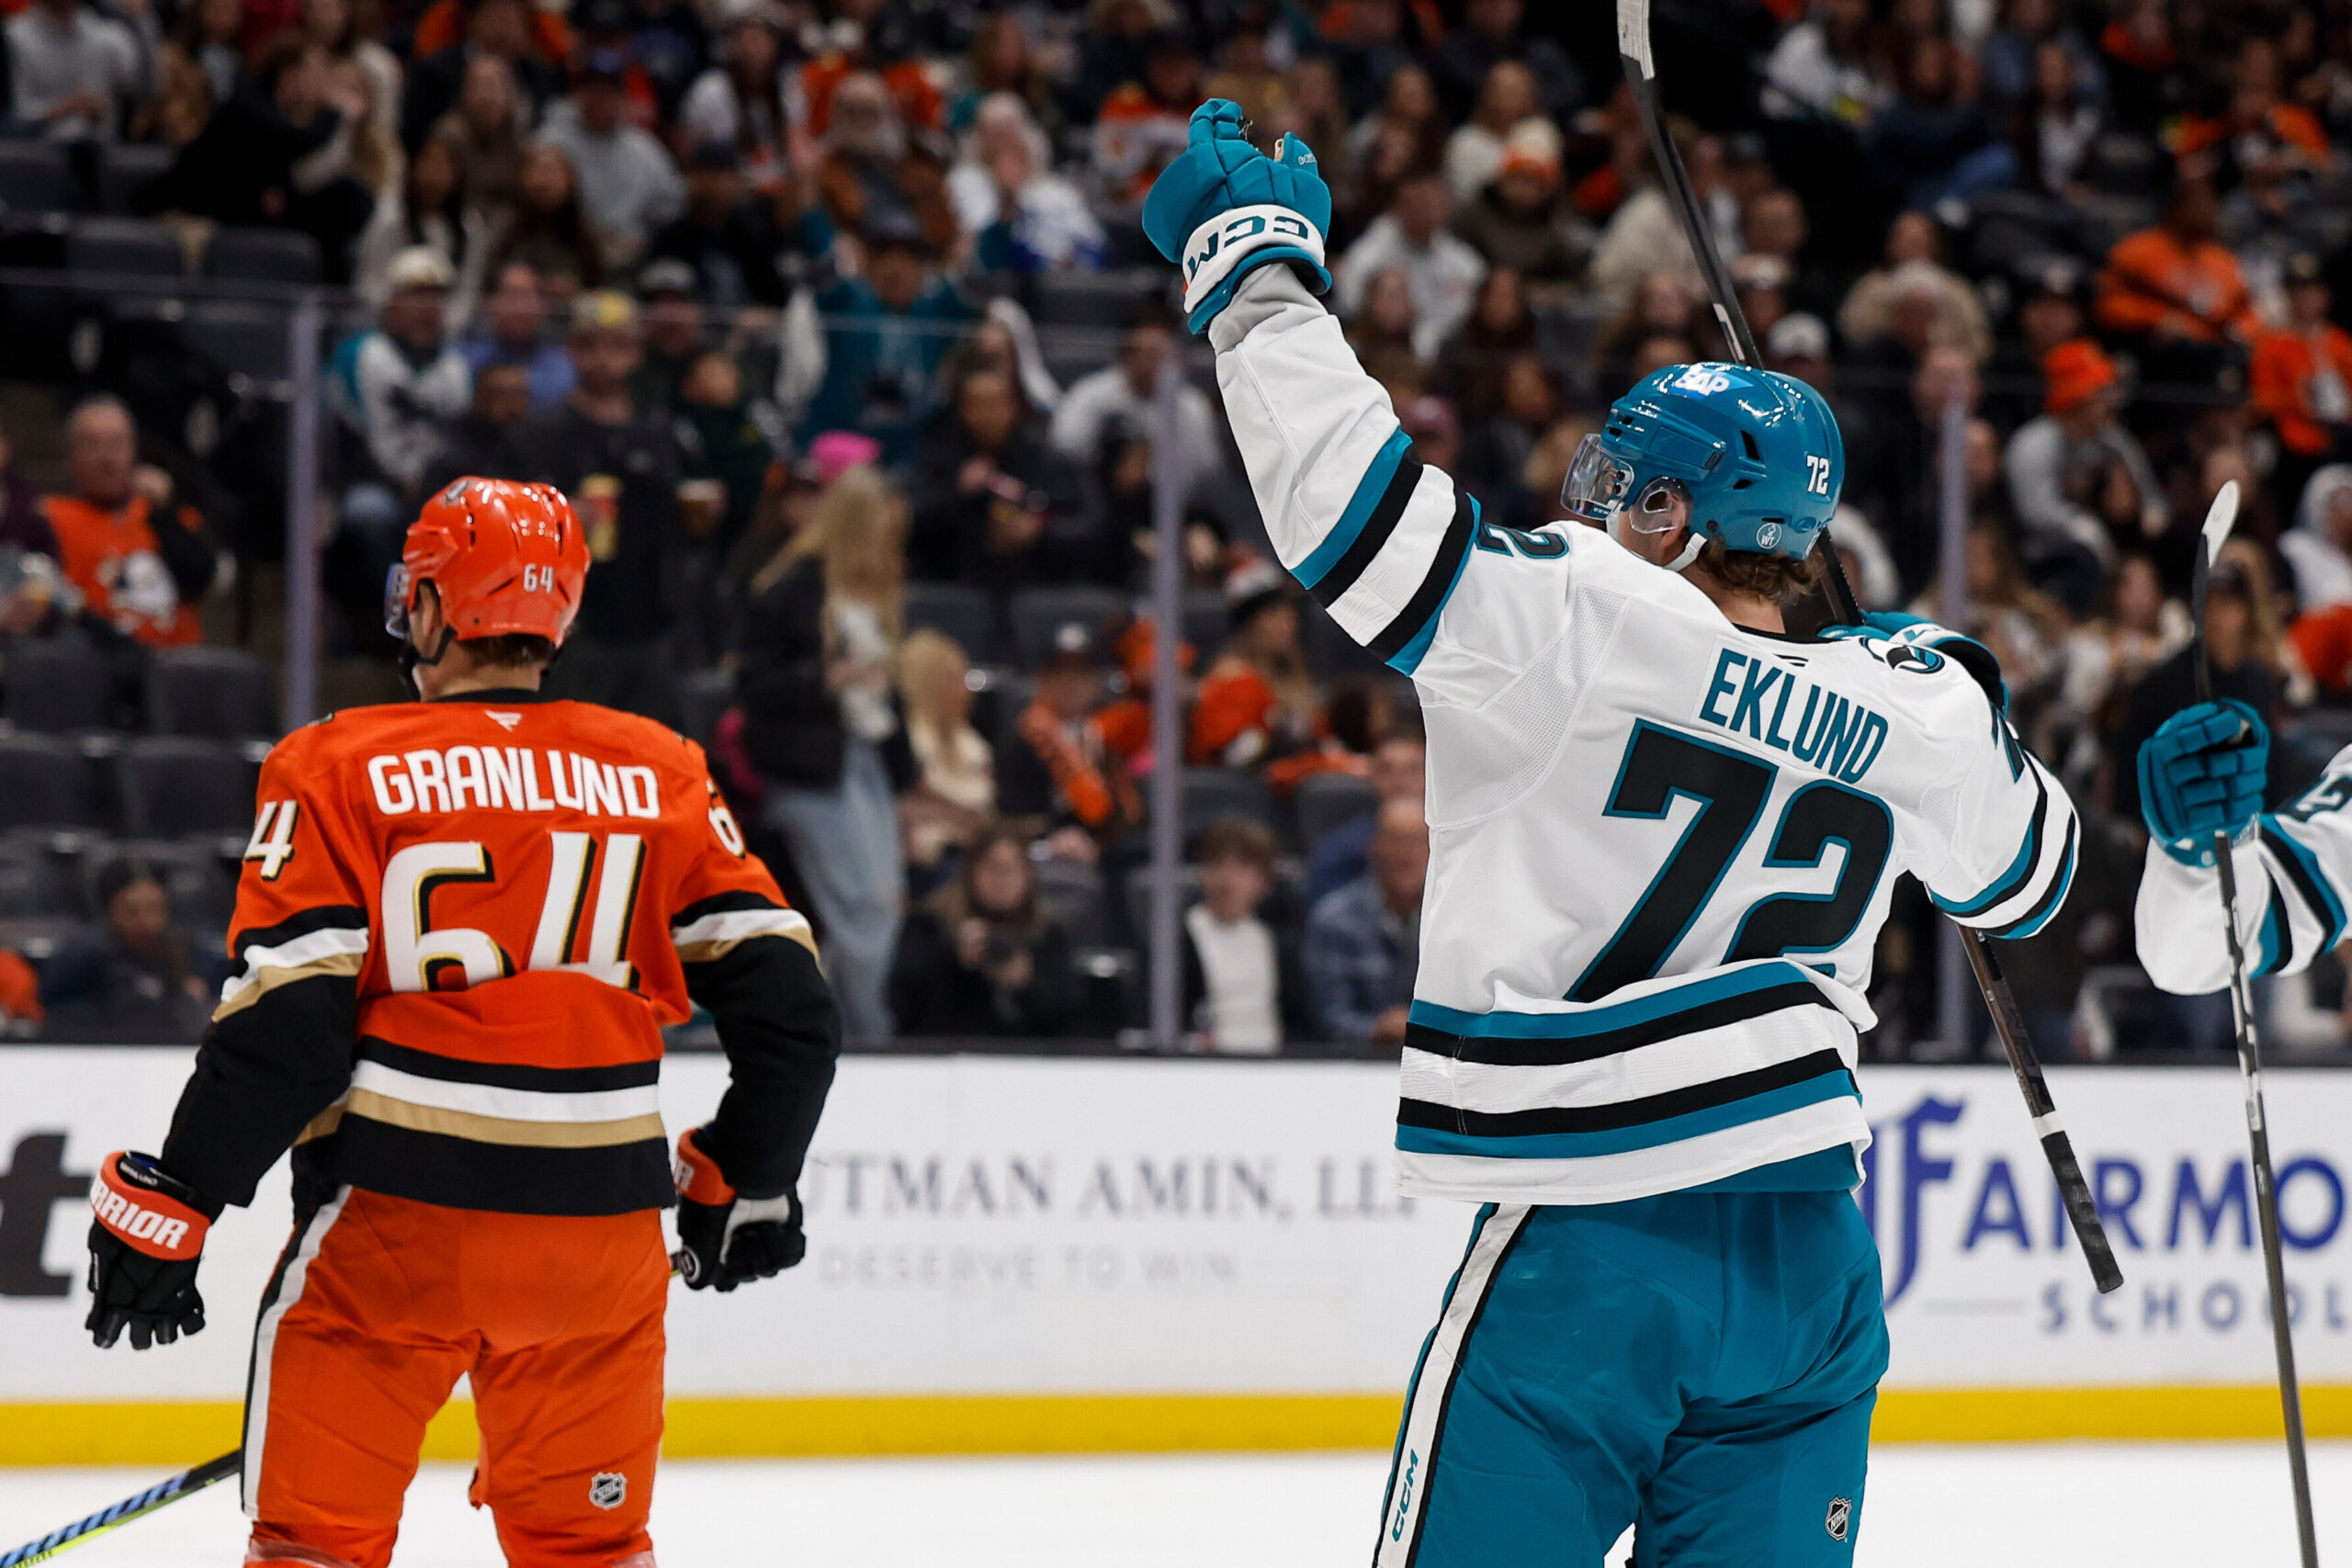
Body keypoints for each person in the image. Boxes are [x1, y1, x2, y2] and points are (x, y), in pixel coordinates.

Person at [1143, 101, 2077, 1563]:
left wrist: (1255, 276)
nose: (1593, 505)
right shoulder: (1916, 700)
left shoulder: (1579, 609)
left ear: (1668, 509)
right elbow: (2031, 878)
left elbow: (1353, 513)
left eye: (1623, 484)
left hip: (1598, 1236)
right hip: (1815, 1263)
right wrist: (1961, 692)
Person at [79, 478, 839, 1568]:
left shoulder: (337, 762)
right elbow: (794, 1015)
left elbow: (290, 1030)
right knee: (587, 1551)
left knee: (315, 1547)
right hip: (600, 1247)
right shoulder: (659, 769)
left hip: (394, 1235)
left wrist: (180, 1198)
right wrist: (745, 1178)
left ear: (433, 605)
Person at [732, 465, 911, 1042]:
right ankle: (868, 1031)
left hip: (864, 760)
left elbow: (889, 695)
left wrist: (905, 774)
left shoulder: (872, 591)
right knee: (864, 906)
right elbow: (753, 684)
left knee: (883, 903)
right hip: (812, 767)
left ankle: (836, 1024)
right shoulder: (795, 585)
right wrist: (822, 680)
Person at [518, 290, 691, 722]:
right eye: (589, 344)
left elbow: (677, 521)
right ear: (570, 350)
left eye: (617, 345)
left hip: (651, 623)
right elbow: (503, 526)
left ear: (637, 353)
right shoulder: (541, 434)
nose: (603, 359)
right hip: (573, 628)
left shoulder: (658, 430)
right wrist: (554, 517)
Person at [334, 247, 476, 587]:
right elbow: (339, 435)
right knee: (368, 511)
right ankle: (378, 612)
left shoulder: (457, 367)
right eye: (416, 297)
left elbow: (464, 441)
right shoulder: (358, 355)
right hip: (373, 483)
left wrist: (431, 486)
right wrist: (397, 485)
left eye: (434, 299)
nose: (426, 309)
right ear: (392, 302)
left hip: (439, 490)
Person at [40, 395, 217, 649]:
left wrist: (163, 514)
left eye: (117, 443)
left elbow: (200, 580)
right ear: (71, 457)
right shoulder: (51, 516)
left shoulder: (165, 513)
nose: (107, 458)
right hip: (94, 657)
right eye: (92, 444)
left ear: (135, 451)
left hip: (176, 660)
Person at [888, 821, 1074, 1038]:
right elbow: (900, 1003)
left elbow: (1069, 1015)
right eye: (992, 867)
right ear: (970, 871)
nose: (1002, 879)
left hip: (1026, 1052)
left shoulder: (1048, 934)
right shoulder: (930, 923)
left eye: (1012, 868)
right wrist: (954, 960)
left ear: (1029, 874)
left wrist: (1027, 982)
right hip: (947, 1046)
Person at [536, 49, 685, 265]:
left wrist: (647, 238)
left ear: (622, 96)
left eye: (607, 91)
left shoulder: (644, 150)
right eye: (592, 89)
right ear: (578, 94)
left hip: (631, 259)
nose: (599, 98)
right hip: (566, 253)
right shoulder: (552, 142)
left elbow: (672, 208)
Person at [38, 856, 212, 1041]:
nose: (146, 922)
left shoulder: (191, 955)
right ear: (110, 910)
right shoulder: (82, 959)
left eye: (155, 909)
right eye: (130, 911)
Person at [1184, 817, 1314, 1054]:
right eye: (1217, 864)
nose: (1226, 880)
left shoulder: (1276, 942)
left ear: (1265, 882)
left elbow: (1301, 1022)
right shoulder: (1180, 940)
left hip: (1273, 1063)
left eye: (1241, 867)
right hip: (1206, 1062)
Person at [1047, 308, 1222, 485]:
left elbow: (1206, 468)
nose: (1155, 362)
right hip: (1099, 488)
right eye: (1148, 353)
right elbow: (1065, 448)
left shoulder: (1193, 405)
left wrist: (1154, 463)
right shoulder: (1090, 394)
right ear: (1126, 354)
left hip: (1173, 491)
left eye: (1164, 354)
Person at [1303, 796, 1425, 1049]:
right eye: (1396, 840)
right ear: (1375, 846)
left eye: (1417, 842)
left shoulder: (1452, 923)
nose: (1406, 854)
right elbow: (1328, 1018)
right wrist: (1378, 1029)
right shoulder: (1335, 920)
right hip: (1356, 1061)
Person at [1332, 172, 1487, 361]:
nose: (1430, 212)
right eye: (1421, 204)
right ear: (1400, 208)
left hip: (1442, 348)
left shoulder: (1458, 257)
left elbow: (1475, 285)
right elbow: (1348, 296)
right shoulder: (1376, 247)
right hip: (1378, 342)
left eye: (1436, 204)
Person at [1306, 722, 1425, 907]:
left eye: (1412, 770)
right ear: (1372, 776)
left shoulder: (1458, 840)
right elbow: (1326, 911)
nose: (1400, 781)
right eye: (1387, 770)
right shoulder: (1341, 848)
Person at [6, 0, 151, 141]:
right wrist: (64, 109)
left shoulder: (107, 35)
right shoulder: (13, 38)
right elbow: (15, 114)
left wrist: (140, 21)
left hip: (101, 148)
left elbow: (145, 89)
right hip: (35, 149)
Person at [460, 263, 576, 410]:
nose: (522, 307)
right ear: (491, 303)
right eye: (513, 295)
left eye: (531, 296)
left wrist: (517, 381)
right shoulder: (466, 351)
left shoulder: (557, 358)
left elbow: (563, 387)